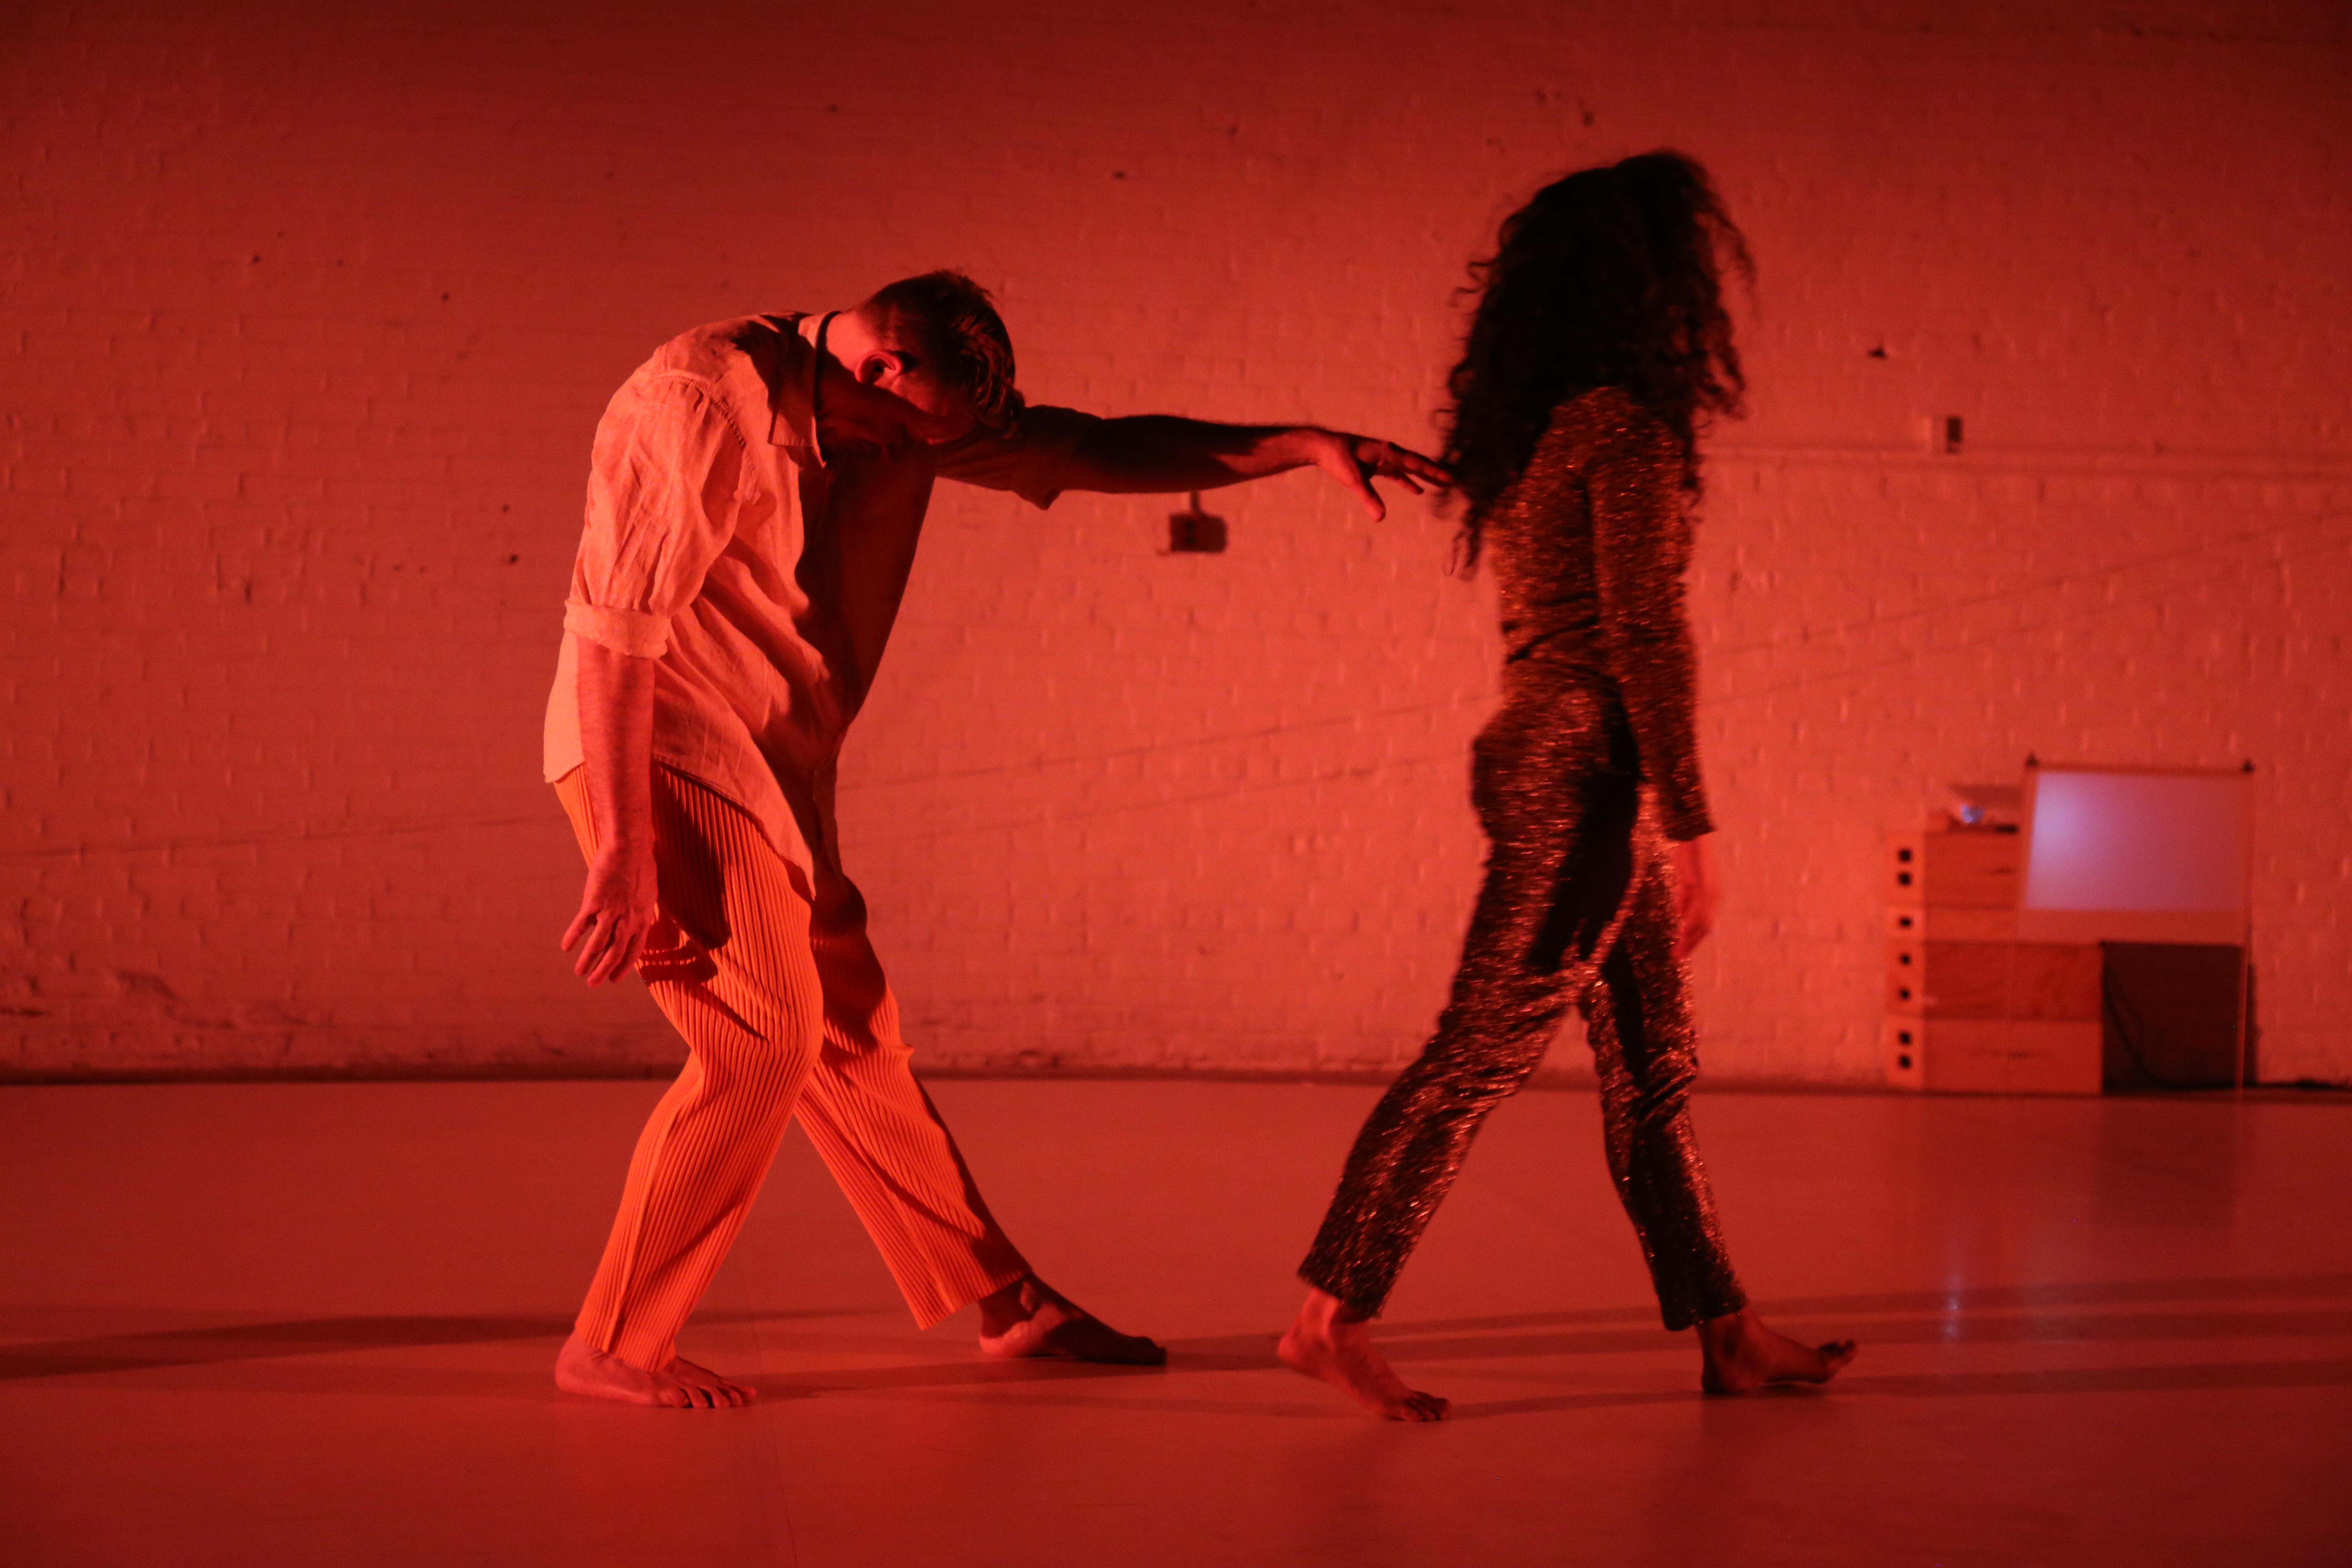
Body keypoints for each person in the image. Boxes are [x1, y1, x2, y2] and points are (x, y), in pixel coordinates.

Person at [547, 271, 1445, 1408]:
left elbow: (1091, 448)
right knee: (763, 1040)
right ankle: (614, 1343)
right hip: (659, 748)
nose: (906, 456)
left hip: (776, 767)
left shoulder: (898, 410)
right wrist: (624, 848)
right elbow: (613, 630)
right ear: (880, 367)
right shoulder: (696, 399)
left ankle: (1007, 1303)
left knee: (854, 1041)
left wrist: (1300, 446)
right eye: (906, 433)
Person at [1276, 154, 1857, 1420]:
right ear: (1655, 288)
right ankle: (1328, 1314)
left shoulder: (1536, 433)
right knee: (1479, 1052)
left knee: (1654, 1070)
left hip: (1548, 749)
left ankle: (1729, 1334)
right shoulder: (1626, 428)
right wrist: (1694, 825)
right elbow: (1642, 630)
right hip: (1588, 766)